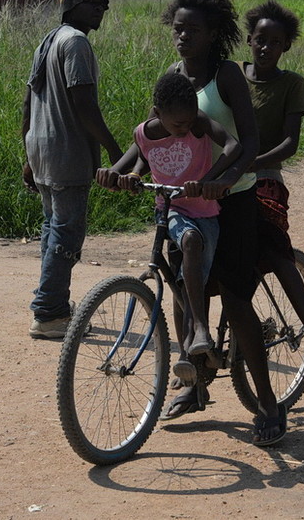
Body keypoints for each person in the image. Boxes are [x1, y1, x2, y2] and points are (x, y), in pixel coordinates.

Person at [156, 0, 286, 446]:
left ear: (214, 34)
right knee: (180, 291)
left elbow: (248, 143)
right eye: (178, 28)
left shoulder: (228, 75)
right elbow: (154, 136)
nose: (183, 36)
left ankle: (269, 404)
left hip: (232, 199)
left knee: (234, 297)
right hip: (188, 200)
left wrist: (224, 179)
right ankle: (195, 386)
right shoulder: (173, 75)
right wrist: (123, 171)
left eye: (193, 30)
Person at [96, 73, 241, 385]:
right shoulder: (144, 133)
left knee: (189, 279)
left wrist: (208, 181)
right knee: (186, 253)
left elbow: (232, 146)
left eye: (188, 123)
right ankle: (192, 345)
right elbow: (141, 159)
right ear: (157, 113)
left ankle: (198, 333)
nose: (184, 129)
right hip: (171, 210)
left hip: (205, 211)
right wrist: (126, 175)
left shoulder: (197, 122)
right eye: (177, 125)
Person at [22, 0, 124, 339]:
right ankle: (49, 313)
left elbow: (28, 101)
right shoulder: (76, 42)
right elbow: (84, 103)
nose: (102, 6)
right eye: (93, 0)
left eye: (104, 2)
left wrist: (28, 153)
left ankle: (53, 304)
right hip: (67, 153)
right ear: (72, 4)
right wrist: (114, 151)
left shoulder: (48, 41)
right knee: (66, 236)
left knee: (53, 230)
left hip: (43, 150)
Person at [241, 0, 304, 380]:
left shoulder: (291, 84)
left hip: (264, 177)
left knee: (276, 251)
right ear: (248, 39)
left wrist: (252, 163)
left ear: (286, 47)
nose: (266, 48)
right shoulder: (231, 77)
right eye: (260, 39)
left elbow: (290, 143)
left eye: (275, 42)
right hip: (223, 176)